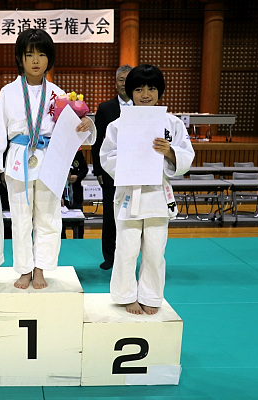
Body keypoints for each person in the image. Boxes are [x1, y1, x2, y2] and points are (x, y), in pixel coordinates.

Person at [0, 29, 95, 289]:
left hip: (49, 159)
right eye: (29, 54)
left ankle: (40, 267)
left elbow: (73, 130)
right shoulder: (8, 92)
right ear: (19, 58)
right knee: (20, 218)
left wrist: (86, 123)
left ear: (49, 59)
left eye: (41, 55)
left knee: (48, 217)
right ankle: (24, 269)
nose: (35, 60)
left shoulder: (58, 94)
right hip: (18, 157)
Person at [99, 64, 195, 315]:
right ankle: (126, 295)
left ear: (159, 91)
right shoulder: (117, 125)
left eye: (151, 88)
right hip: (129, 193)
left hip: (157, 194)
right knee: (126, 249)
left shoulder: (172, 123)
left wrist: (170, 152)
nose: (145, 94)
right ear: (130, 91)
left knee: (154, 250)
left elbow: (186, 156)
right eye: (139, 89)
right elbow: (106, 157)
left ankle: (151, 295)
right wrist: (130, 161)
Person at [93, 64, 133, 270]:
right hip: (111, 169)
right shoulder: (105, 108)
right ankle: (109, 257)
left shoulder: (143, 107)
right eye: (121, 79)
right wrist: (98, 170)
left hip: (136, 170)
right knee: (110, 215)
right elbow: (97, 141)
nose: (124, 83)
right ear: (115, 83)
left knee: (133, 216)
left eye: (128, 80)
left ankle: (129, 257)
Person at [61, 149, 88, 239]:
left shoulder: (78, 151)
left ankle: (79, 243)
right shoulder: (59, 151)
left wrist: (77, 176)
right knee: (60, 225)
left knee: (79, 224)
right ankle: (62, 244)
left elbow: (85, 169)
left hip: (76, 193)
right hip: (61, 193)